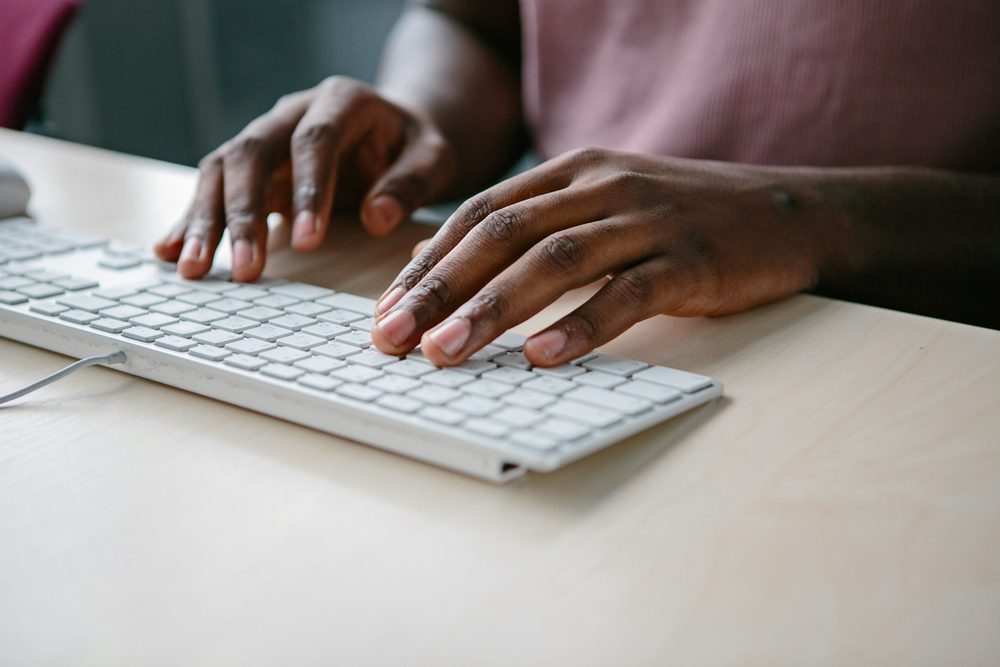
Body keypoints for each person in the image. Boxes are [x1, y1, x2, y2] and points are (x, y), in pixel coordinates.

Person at [153, 0, 1000, 368]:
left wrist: (805, 217)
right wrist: (422, 119)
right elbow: (475, 19)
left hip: (916, 349)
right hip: (580, 309)